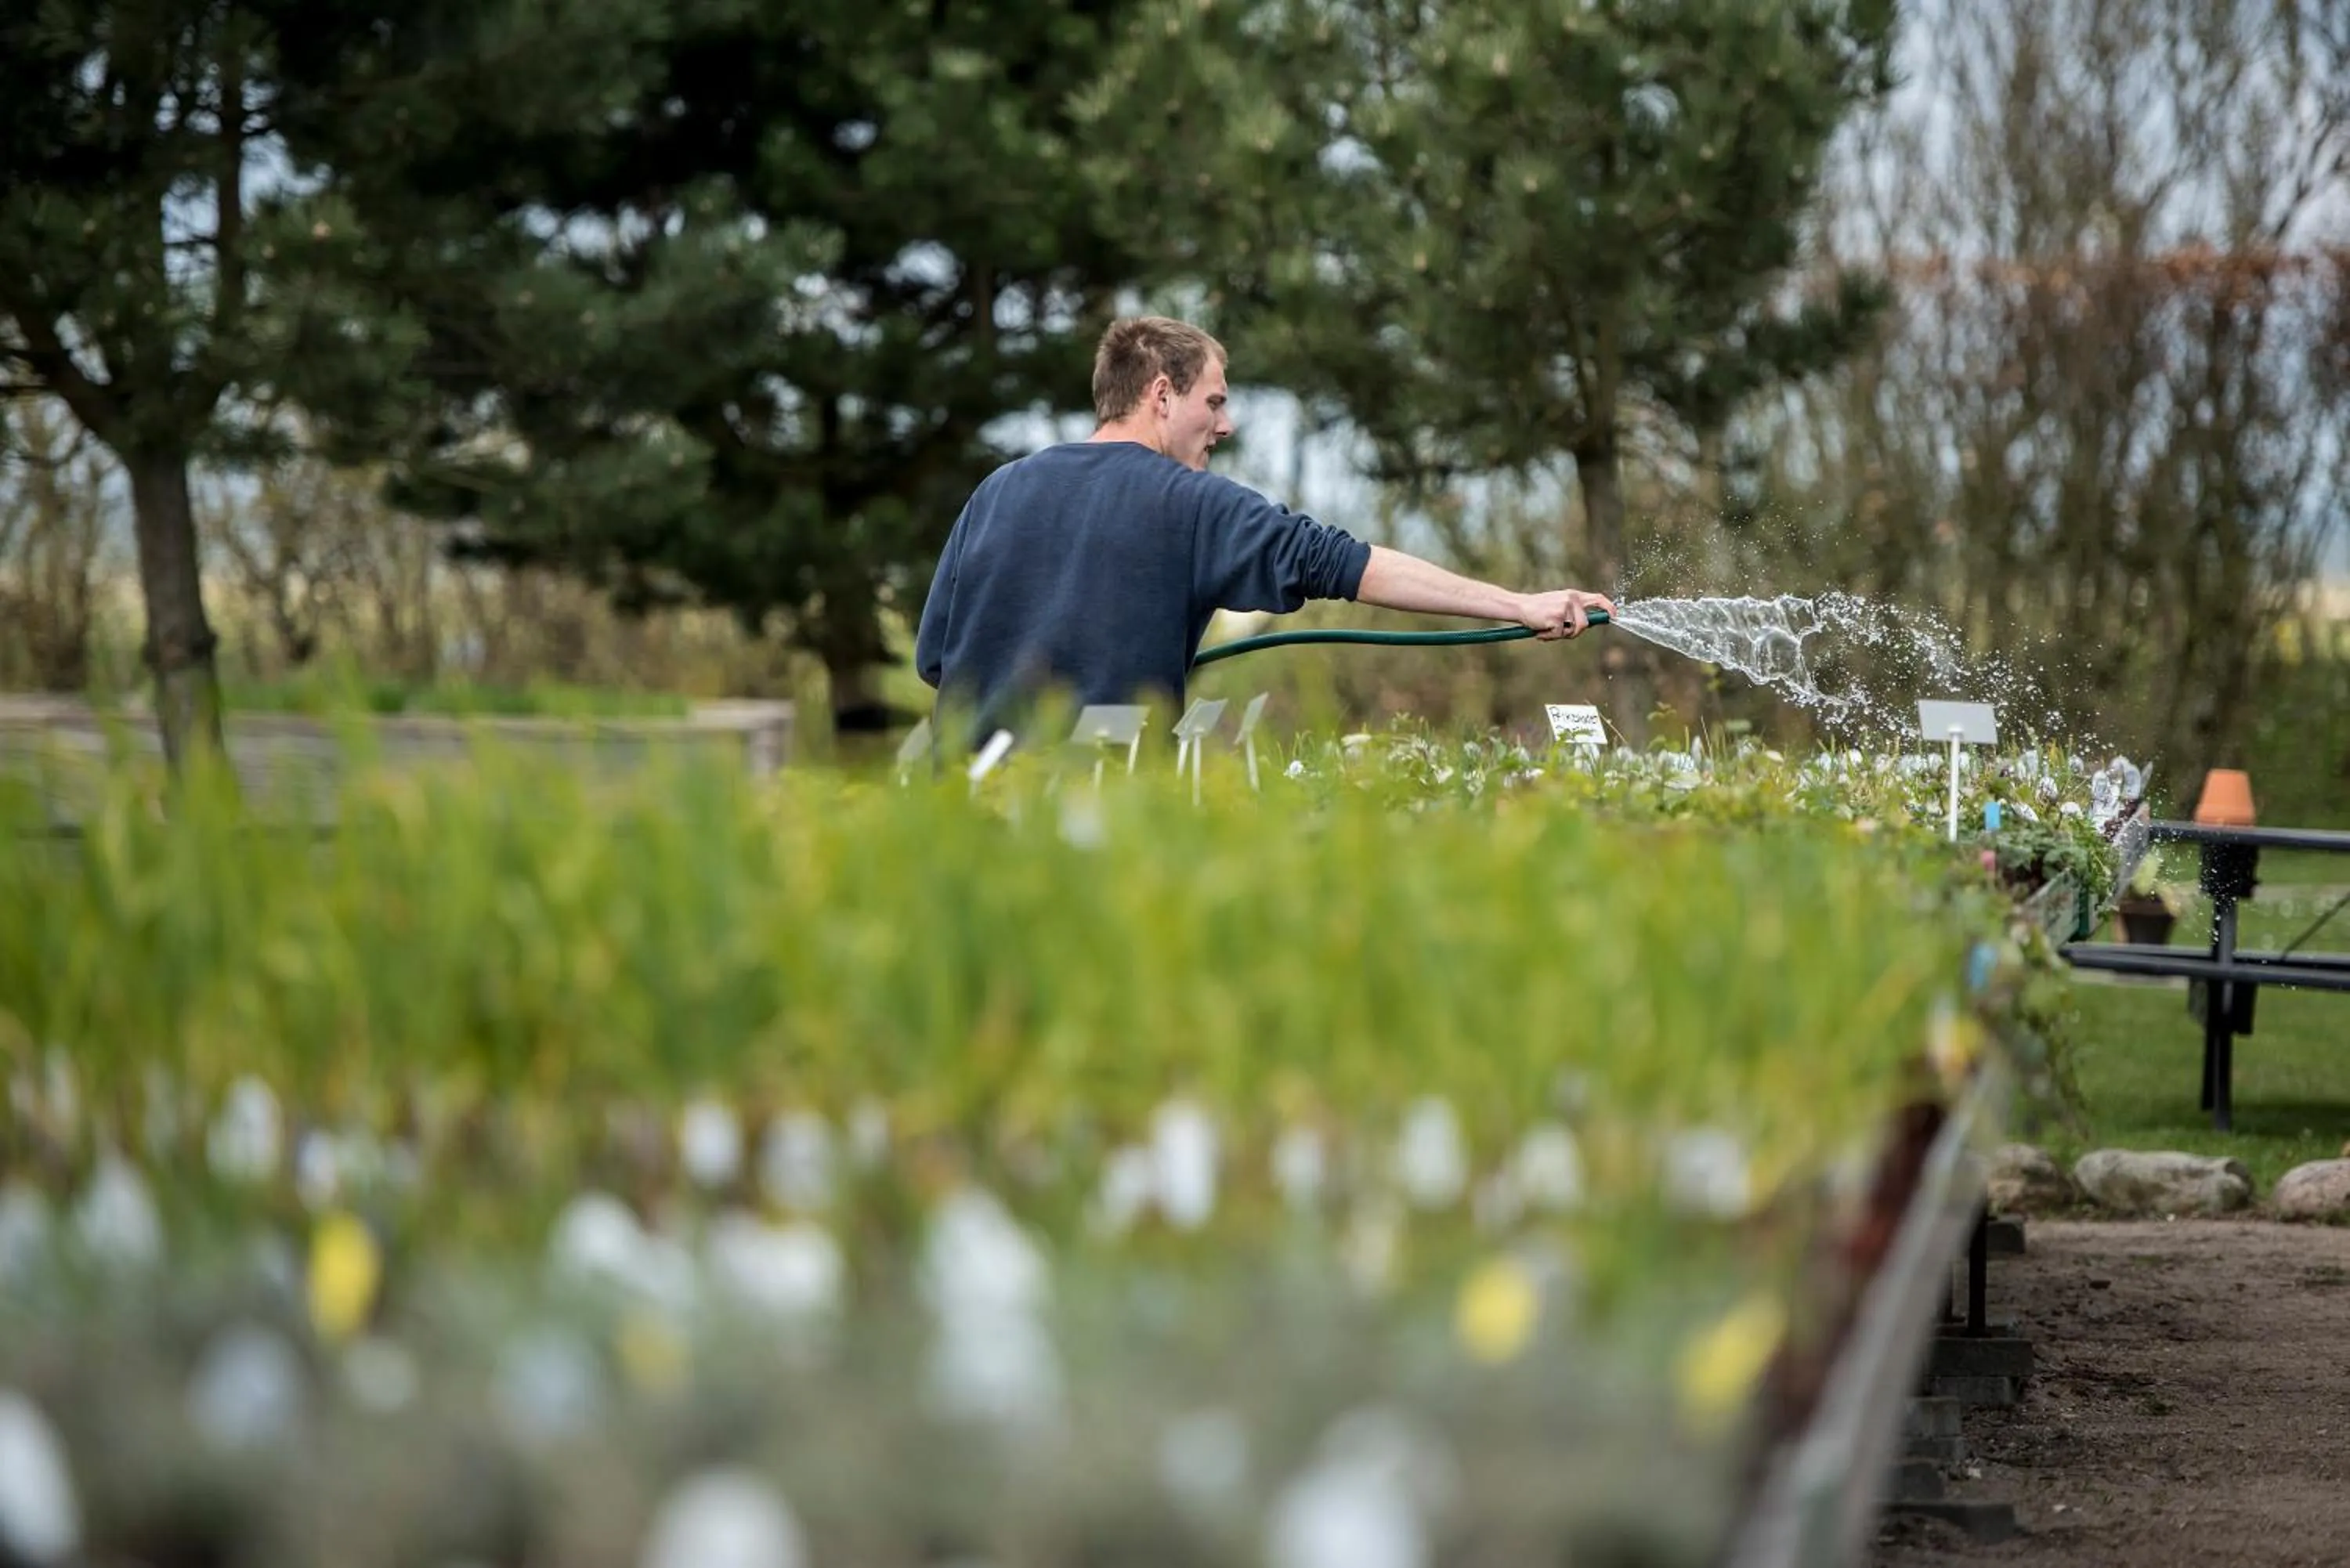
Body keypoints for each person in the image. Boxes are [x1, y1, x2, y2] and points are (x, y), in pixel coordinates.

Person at [913, 316, 1614, 740]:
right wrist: (1517, 604)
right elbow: (1349, 563)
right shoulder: (1190, 502)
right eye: (1213, 401)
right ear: (1161, 394)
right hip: (1104, 815)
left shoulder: (997, 491)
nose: (1227, 424)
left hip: (963, 811)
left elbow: (936, 662)